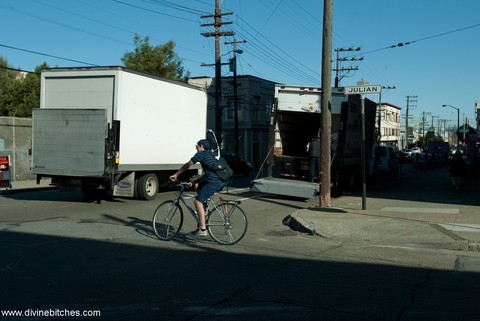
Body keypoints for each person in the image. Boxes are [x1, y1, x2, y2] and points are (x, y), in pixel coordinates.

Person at [169, 139, 224, 237]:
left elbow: (188, 165)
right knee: (196, 186)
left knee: (197, 202)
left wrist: (176, 175)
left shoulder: (201, 154)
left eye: (196, 147)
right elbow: (208, 174)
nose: (196, 148)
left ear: (201, 146)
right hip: (217, 181)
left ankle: (203, 229)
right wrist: (196, 181)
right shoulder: (210, 154)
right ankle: (203, 211)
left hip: (213, 182)